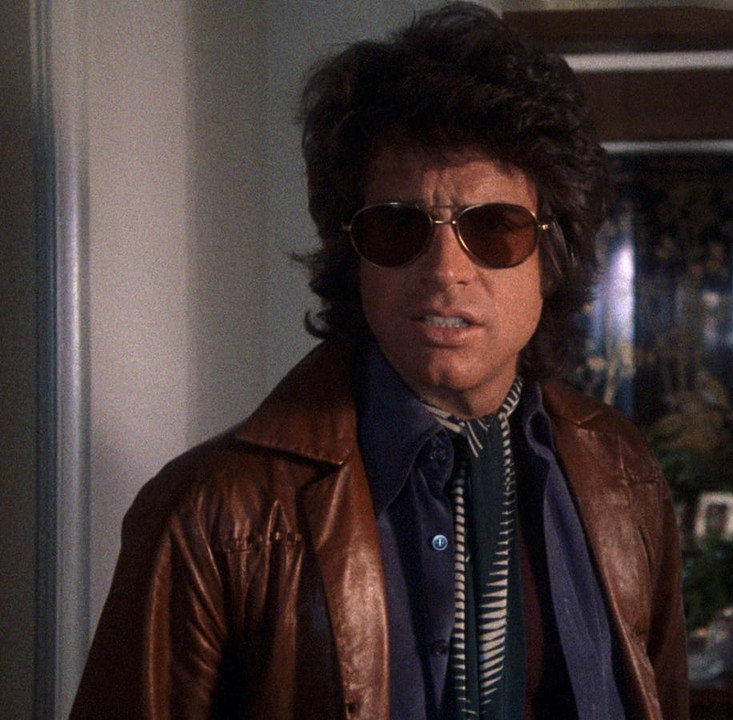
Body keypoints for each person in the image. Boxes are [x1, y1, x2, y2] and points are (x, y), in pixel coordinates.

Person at [69, 4, 688, 719]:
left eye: (494, 228)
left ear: (552, 255)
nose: (445, 271)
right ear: (354, 254)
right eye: (398, 227)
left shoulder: (623, 476)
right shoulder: (213, 516)